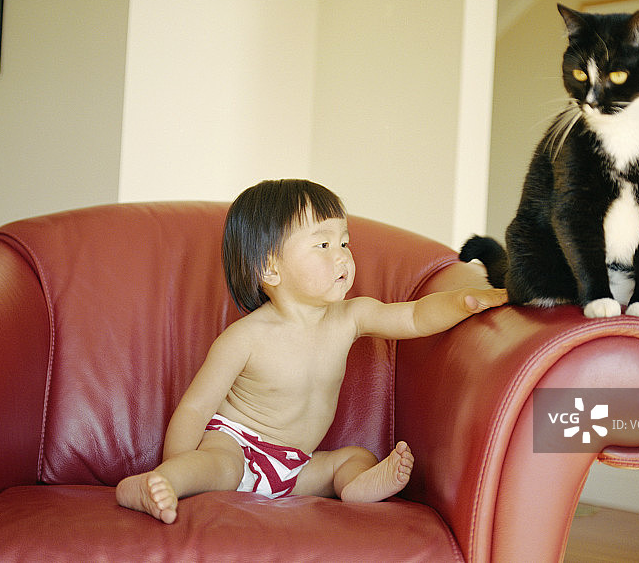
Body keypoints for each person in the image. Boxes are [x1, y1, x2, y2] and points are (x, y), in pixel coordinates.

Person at [116, 179, 508, 524]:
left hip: (295, 465)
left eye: (344, 242)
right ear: (269, 269)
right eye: (322, 244)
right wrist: (176, 464)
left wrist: (466, 302)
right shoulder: (245, 339)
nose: (341, 256)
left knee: (353, 456)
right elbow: (196, 409)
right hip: (237, 447)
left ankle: (355, 484)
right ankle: (154, 486)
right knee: (212, 465)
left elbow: (415, 317)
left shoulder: (350, 316)